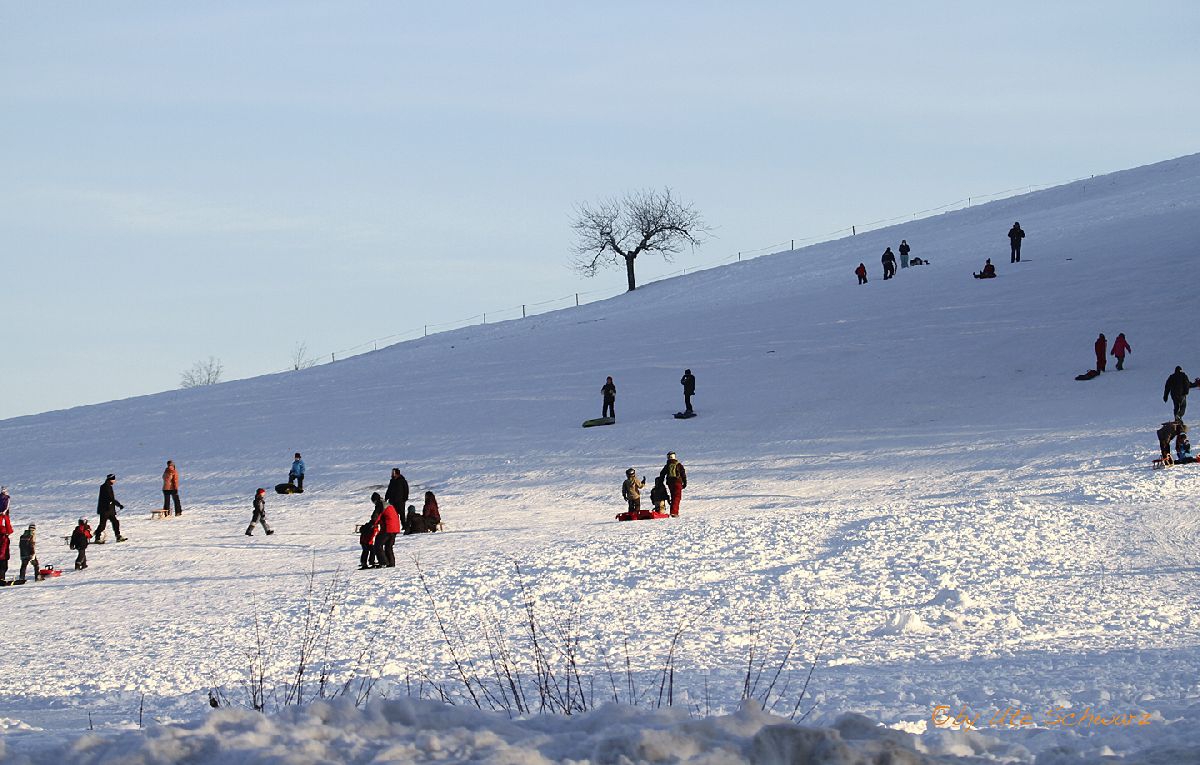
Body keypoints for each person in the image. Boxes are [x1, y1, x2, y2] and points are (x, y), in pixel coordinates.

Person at [95, 474, 127, 543]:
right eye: (114, 479)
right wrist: (119, 505)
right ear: (110, 480)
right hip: (105, 510)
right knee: (102, 525)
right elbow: (111, 498)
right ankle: (97, 537)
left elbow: (111, 499)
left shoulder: (108, 486)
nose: (115, 481)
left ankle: (118, 536)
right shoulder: (105, 487)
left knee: (115, 522)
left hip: (110, 510)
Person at [659, 452, 687, 517]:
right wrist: (685, 483)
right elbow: (683, 474)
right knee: (677, 497)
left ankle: (673, 511)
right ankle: (674, 512)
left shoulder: (667, 465)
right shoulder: (679, 465)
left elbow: (662, 474)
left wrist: (660, 482)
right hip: (678, 483)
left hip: (670, 483)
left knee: (673, 497)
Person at [359, 495, 381, 569]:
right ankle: (370, 562)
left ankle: (363, 562)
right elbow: (372, 535)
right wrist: (370, 542)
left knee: (365, 551)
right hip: (367, 541)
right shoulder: (373, 527)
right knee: (372, 550)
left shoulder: (369, 524)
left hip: (363, 541)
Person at [385, 468, 409, 533]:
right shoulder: (392, 481)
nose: (392, 474)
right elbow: (389, 490)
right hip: (392, 500)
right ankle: (395, 526)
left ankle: (404, 526)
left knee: (402, 514)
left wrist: (405, 498)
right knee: (394, 515)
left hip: (400, 501)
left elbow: (406, 490)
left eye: (393, 473)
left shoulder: (402, 481)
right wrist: (386, 497)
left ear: (397, 473)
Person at [377, 499, 400, 566]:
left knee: (378, 545)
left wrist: (372, 524)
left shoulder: (381, 506)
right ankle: (391, 563)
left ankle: (383, 562)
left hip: (388, 528)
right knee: (388, 546)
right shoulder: (390, 506)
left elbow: (377, 517)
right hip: (395, 529)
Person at [0, 491, 12, 583]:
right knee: (3, 567)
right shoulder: (4, 537)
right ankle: (1, 579)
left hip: (4, 556)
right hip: (2, 557)